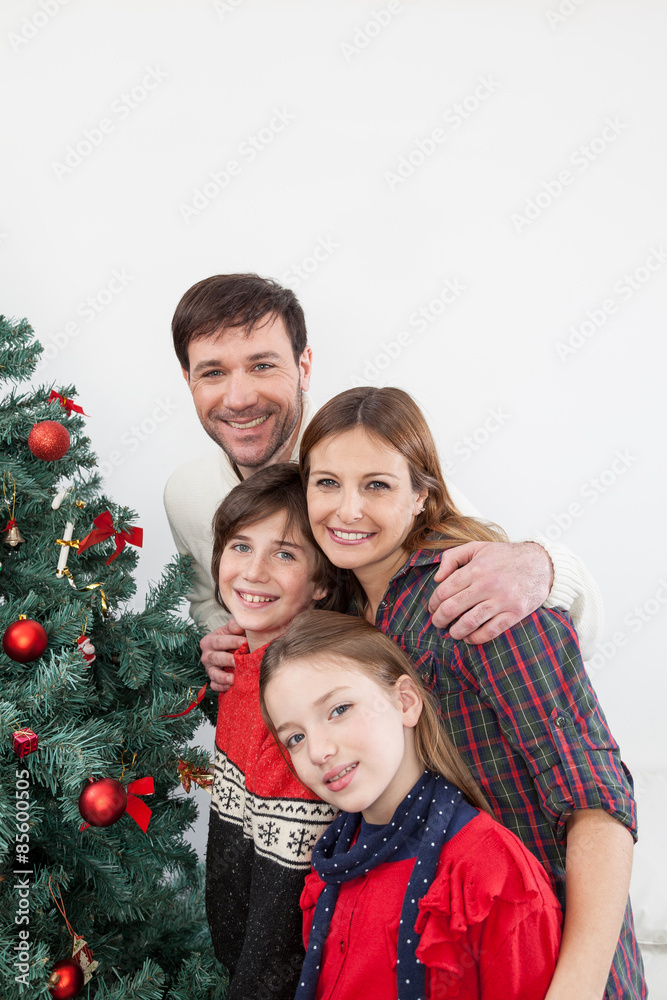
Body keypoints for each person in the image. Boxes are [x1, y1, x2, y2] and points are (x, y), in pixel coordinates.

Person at [297, 386, 645, 1000]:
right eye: (327, 483)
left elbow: (597, 798)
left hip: (551, 951)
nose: (346, 509)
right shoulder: (351, 612)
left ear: (421, 493)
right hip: (454, 949)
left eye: (376, 485)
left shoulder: (476, 596)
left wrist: (579, 985)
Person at [163, 273, 603, 691]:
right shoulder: (186, 495)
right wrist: (221, 638)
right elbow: (208, 598)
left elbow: (501, 577)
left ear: (304, 366)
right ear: (188, 380)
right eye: (213, 372)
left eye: (262, 365)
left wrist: (542, 566)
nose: (239, 398)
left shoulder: (368, 454)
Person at [259, 610, 564, 1000]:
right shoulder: (330, 871)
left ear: (405, 701)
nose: (318, 752)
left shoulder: (493, 876)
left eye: (339, 710)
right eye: (296, 738)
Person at [205, 463, 345, 1000]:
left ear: (322, 582)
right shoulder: (242, 663)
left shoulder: (302, 701)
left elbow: (285, 898)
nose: (253, 571)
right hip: (237, 952)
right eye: (240, 547)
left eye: (284, 554)